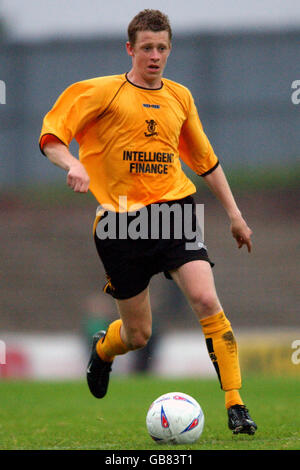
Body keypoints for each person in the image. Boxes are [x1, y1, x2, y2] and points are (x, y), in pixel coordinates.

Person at [39, 9, 257, 435]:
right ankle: (104, 351)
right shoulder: (100, 93)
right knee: (138, 334)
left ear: (169, 49)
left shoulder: (180, 97)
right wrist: (72, 164)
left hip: (175, 210)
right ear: (130, 49)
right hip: (120, 224)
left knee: (207, 301)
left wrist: (235, 215)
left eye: (161, 48)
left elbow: (206, 162)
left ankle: (236, 405)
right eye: (146, 48)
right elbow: (50, 136)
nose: (154, 55)